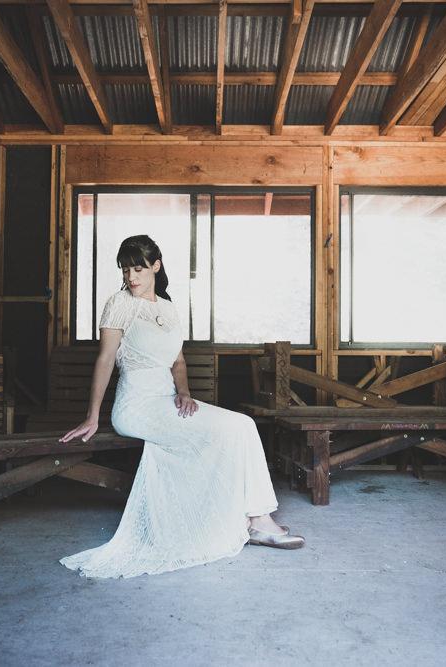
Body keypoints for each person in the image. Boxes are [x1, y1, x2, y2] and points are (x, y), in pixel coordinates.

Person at [58, 234, 305, 579]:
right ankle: (252, 522)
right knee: (221, 433)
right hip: (136, 407)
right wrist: (92, 415)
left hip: (166, 403)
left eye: (139, 268)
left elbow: (178, 362)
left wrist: (185, 393)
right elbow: (105, 359)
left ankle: (258, 518)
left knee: (243, 425)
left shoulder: (168, 308)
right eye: (126, 269)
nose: (131, 276)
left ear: (156, 267)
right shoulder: (119, 304)